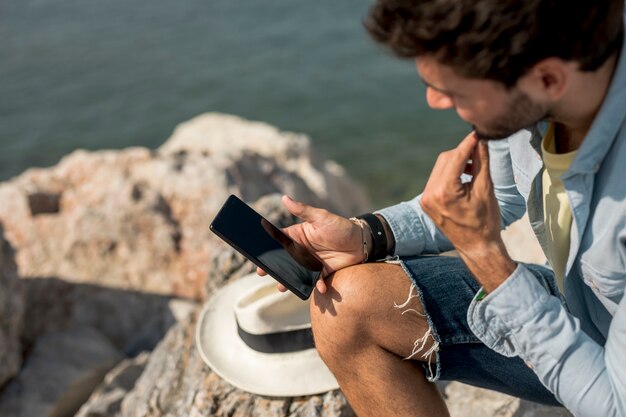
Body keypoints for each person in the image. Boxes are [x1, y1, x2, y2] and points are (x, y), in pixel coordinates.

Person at [257, 1, 626, 416]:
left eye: (453, 92)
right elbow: (500, 197)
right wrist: (368, 235)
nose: (434, 100)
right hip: (581, 312)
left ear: (547, 78)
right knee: (347, 310)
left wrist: (486, 257)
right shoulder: (535, 92)